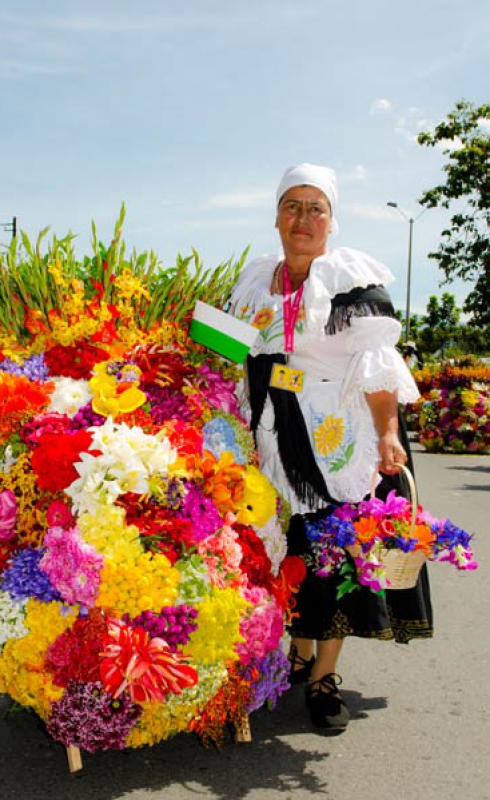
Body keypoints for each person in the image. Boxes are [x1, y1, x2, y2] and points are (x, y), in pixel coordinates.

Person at [228, 163, 433, 732]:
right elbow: (231, 351)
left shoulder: (350, 280)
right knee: (290, 554)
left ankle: (322, 676)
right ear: (275, 216)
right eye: (292, 205)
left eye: (315, 207)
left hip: (340, 441)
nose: (303, 218)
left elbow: (378, 364)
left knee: (334, 559)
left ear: (331, 220)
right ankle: (296, 651)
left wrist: (389, 433)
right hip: (274, 436)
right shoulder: (255, 280)